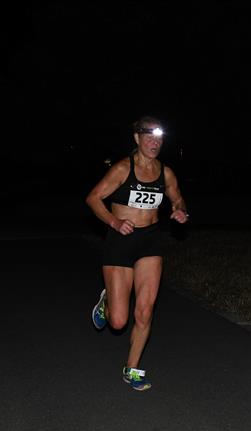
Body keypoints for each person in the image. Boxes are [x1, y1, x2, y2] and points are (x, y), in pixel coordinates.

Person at [85, 116, 189, 391]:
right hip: (120, 241)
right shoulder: (122, 168)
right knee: (118, 322)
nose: (154, 143)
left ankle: (131, 369)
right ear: (137, 139)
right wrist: (114, 222)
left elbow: (177, 198)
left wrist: (180, 210)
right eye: (148, 137)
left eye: (159, 138)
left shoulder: (166, 173)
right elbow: (93, 198)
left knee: (144, 311)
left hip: (150, 242)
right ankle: (107, 301)